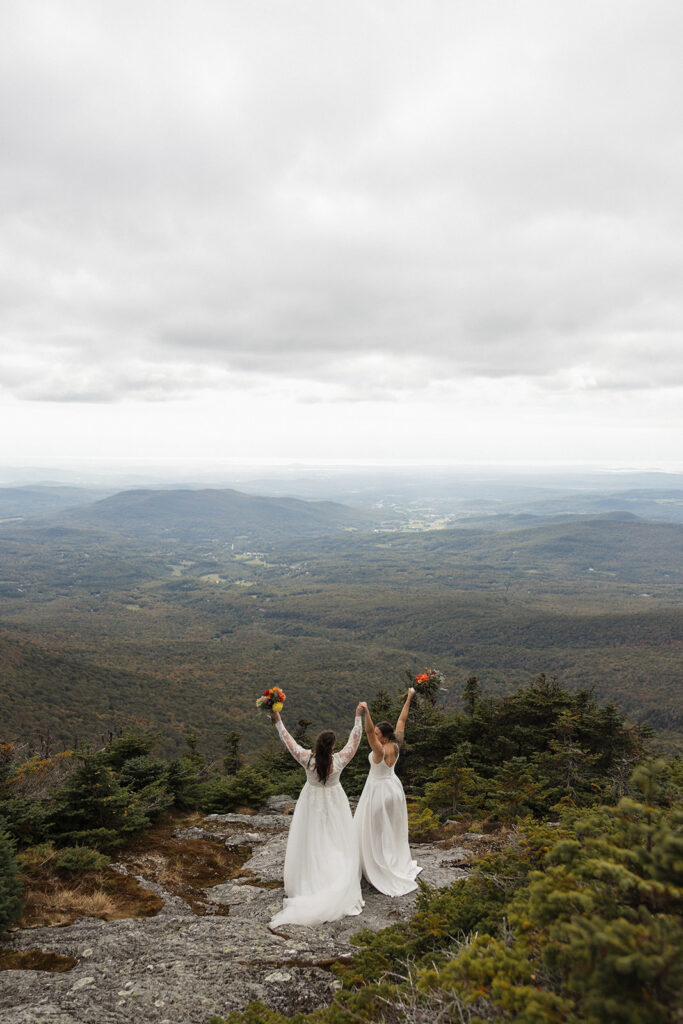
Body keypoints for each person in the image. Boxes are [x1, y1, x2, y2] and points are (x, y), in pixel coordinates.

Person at [269, 703, 365, 928]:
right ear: (332, 747)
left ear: (317, 745)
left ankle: (311, 879)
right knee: (335, 840)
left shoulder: (307, 759)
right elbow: (355, 742)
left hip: (310, 803)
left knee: (312, 839)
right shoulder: (339, 761)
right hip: (335, 803)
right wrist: (358, 717)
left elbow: (288, 740)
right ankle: (335, 877)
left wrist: (277, 719)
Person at [354, 688, 421, 896]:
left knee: (372, 828)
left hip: (378, 791)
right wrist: (409, 697)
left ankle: (378, 861)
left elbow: (367, 732)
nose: (374, 735)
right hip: (394, 788)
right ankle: (391, 856)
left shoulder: (379, 750)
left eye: (377, 734)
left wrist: (366, 713)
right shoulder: (396, 744)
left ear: (382, 737)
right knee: (391, 827)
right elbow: (402, 719)